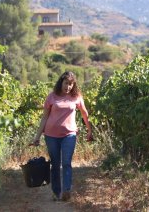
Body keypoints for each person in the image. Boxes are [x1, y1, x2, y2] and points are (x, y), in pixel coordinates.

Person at [32, 71, 92, 202]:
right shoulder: (52, 97)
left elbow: (84, 114)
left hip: (69, 135)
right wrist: (37, 136)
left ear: (74, 85)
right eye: (66, 83)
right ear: (61, 83)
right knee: (55, 164)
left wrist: (89, 130)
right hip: (51, 136)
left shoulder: (76, 97)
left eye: (71, 84)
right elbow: (44, 117)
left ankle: (67, 190)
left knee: (66, 163)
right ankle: (56, 192)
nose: (68, 87)